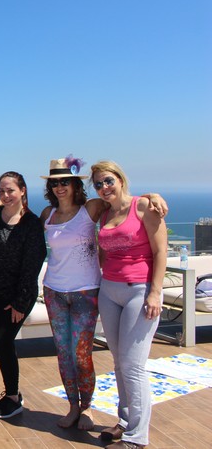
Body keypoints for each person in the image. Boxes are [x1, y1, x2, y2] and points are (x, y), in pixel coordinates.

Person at [39, 157, 168, 431]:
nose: (60, 187)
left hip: (87, 292)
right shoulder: (46, 215)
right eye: (55, 183)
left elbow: (126, 201)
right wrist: (1, 205)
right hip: (55, 292)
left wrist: (152, 195)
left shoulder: (92, 208)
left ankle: (89, 409)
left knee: (82, 354)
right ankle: (74, 406)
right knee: (65, 355)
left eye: (66, 181)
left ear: (75, 184)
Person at [92, 161, 167, 449]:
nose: (104, 188)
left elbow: (161, 250)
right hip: (109, 290)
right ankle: (124, 421)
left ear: (121, 179)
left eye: (108, 181)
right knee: (119, 362)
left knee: (133, 365)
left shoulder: (144, 207)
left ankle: (137, 436)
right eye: (98, 184)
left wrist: (154, 293)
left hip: (140, 290)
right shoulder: (105, 213)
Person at [0, 171, 46, 420]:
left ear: (23, 190)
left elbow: (33, 265)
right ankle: (11, 392)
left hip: (16, 297)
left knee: (3, 341)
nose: (6, 195)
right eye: (2, 191)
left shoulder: (31, 224)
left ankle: (13, 396)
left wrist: (21, 302)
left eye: (11, 191)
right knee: (0, 341)